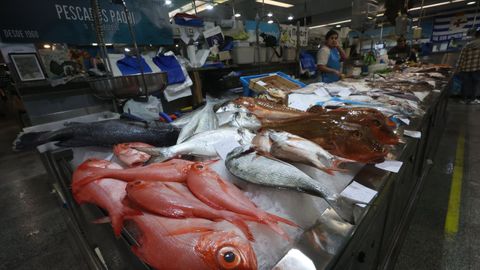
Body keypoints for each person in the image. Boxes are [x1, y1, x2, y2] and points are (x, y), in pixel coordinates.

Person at [456, 29, 480, 105]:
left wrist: (458, 68)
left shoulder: (467, 45)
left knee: (465, 84)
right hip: (477, 68)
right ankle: (473, 99)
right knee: (475, 84)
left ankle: (463, 99)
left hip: (465, 68)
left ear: (475, 35)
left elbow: (461, 58)